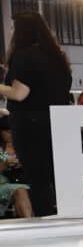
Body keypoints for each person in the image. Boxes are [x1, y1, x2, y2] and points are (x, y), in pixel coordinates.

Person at [0, 11, 73, 217]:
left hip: (30, 124)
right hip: (57, 122)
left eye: (14, 28)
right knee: (57, 176)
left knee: (38, 179)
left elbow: (19, 93)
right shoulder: (57, 57)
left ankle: (47, 220)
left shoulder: (24, 56)